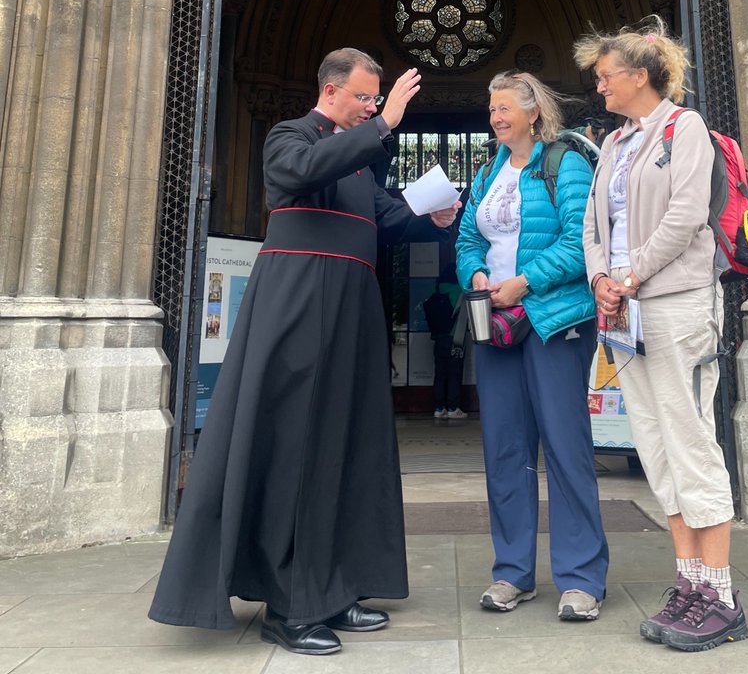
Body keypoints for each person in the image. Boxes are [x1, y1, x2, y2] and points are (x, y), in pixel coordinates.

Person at [149, 48, 460, 657]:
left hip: (351, 308)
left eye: (377, 99)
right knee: (296, 446)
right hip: (299, 303)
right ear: (330, 91)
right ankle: (288, 603)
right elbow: (297, 174)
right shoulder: (292, 137)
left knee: (346, 444)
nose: (373, 106)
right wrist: (383, 125)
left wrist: (437, 217)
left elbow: (386, 217)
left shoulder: (359, 159)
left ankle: (333, 585)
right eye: (366, 97)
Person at [573, 18, 748, 652]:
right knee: (654, 441)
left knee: (691, 437)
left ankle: (722, 597)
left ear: (639, 76)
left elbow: (684, 215)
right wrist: (601, 278)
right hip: (624, 311)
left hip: (673, 303)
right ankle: (690, 580)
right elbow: (595, 224)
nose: (599, 87)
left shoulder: (686, 128)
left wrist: (631, 274)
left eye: (605, 76)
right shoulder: (615, 144)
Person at [455, 71, 609, 623]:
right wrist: (475, 274)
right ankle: (512, 572)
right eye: (491, 110)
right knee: (505, 451)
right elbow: (468, 236)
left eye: (504, 109)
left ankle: (581, 577)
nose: (495, 117)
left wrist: (525, 282)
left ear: (532, 112)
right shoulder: (489, 169)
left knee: (565, 447)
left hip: (551, 321)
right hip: (495, 323)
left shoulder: (564, 161)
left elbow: (580, 239)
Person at [423, 275, 467, 419]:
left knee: (440, 374)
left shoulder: (437, 292)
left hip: (439, 339)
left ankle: (439, 408)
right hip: (455, 338)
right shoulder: (460, 291)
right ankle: (453, 408)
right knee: (455, 373)